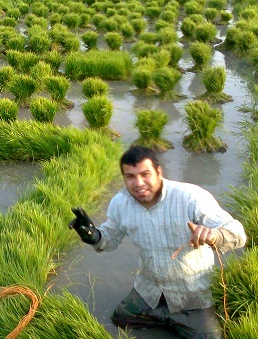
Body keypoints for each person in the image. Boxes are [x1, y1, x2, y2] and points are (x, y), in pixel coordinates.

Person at [69, 145, 246, 339]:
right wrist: (93, 236)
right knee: (120, 318)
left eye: (145, 174)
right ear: (124, 177)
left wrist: (214, 235)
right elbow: (109, 239)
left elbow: (237, 234)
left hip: (192, 294)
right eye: (130, 176)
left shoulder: (190, 197)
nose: (138, 183)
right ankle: (167, 317)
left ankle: (181, 318)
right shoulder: (121, 203)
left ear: (159, 172)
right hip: (150, 287)